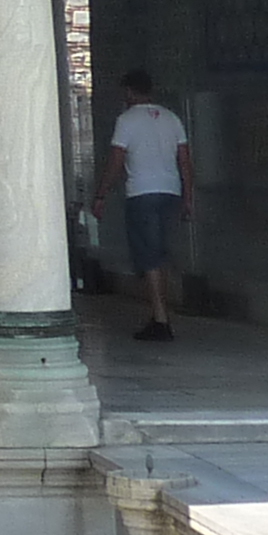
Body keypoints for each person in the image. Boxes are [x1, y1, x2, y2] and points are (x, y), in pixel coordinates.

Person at [92, 69, 193, 340]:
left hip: (142, 193)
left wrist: (101, 194)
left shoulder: (126, 120)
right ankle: (160, 314)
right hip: (170, 193)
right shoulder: (172, 119)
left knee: (150, 257)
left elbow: (116, 161)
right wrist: (188, 198)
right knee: (160, 253)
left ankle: (161, 319)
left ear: (128, 92)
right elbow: (185, 162)